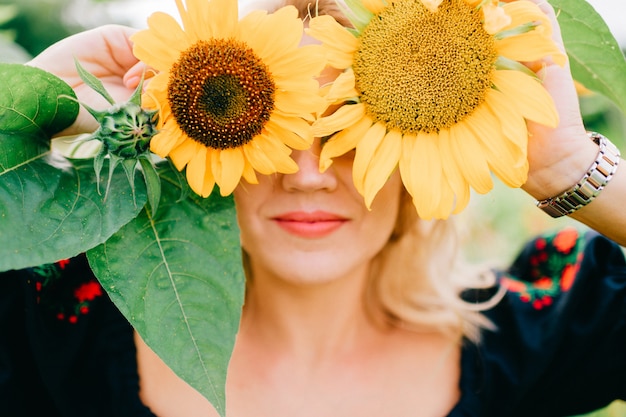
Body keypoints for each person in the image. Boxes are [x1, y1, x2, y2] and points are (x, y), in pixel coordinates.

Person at [3, 0, 626, 416]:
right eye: (265, 129)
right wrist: (22, 119)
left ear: (418, 150)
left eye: (348, 136)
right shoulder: (56, 323)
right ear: (203, 144)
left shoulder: (533, 330)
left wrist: (569, 168)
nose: (307, 177)